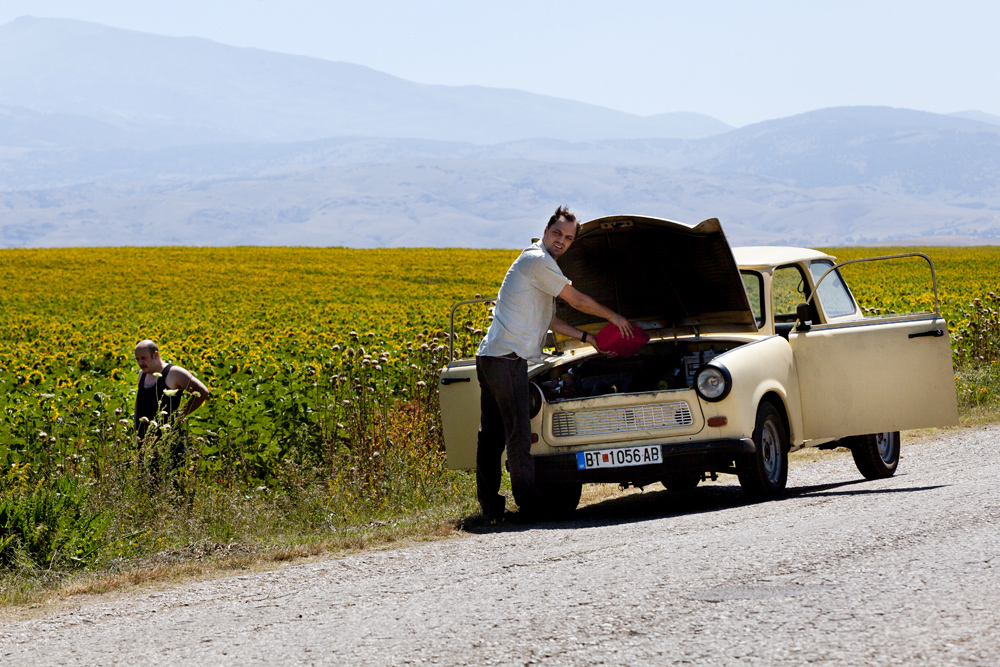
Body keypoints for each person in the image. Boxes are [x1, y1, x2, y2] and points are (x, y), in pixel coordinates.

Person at [475, 206, 634, 519]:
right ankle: (530, 505)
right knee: (517, 434)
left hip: (493, 356)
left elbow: (550, 320)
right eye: (557, 233)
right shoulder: (539, 261)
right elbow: (576, 300)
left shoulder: (537, 263)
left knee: (492, 436)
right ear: (546, 231)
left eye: (568, 238)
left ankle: (490, 507)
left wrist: (590, 339)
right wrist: (613, 317)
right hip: (506, 359)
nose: (562, 240)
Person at [133, 340, 210, 466]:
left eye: (143, 358)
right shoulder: (142, 374)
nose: (140, 363)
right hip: (145, 443)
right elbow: (139, 401)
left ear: (155, 355)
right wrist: (136, 429)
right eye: (137, 359)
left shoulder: (174, 373)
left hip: (169, 443)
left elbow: (202, 391)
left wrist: (181, 414)